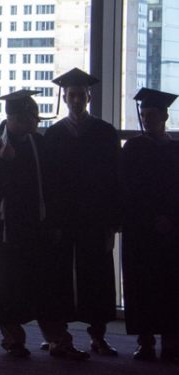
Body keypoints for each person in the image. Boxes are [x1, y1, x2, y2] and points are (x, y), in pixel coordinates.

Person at [0, 90, 89, 360]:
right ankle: (13, 340)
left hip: (35, 227)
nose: (37, 123)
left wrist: (54, 222)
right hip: (3, 231)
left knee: (46, 287)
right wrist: (2, 161)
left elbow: (52, 185)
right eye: (32, 118)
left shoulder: (38, 142)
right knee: (6, 288)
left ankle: (59, 341)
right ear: (14, 118)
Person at [41, 68, 121, 356]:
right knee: (59, 276)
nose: (76, 100)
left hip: (95, 219)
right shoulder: (53, 134)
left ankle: (97, 335)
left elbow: (115, 179)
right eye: (71, 95)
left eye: (80, 95)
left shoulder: (105, 133)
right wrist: (50, 221)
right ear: (64, 98)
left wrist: (112, 223)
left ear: (89, 96)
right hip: (63, 219)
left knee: (97, 276)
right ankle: (58, 334)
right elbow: (47, 183)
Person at [122, 88, 179, 363]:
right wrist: (148, 218)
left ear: (165, 116)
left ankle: (171, 342)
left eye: (152, 114)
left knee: (170, 286)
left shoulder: (177, 150)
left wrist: (170, 217)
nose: (147, 119)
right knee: (141, 285)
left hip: (172, 231)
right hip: (140, 230)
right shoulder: (132, 148)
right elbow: (126, 190)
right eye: (143, 115)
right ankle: (145, 342)